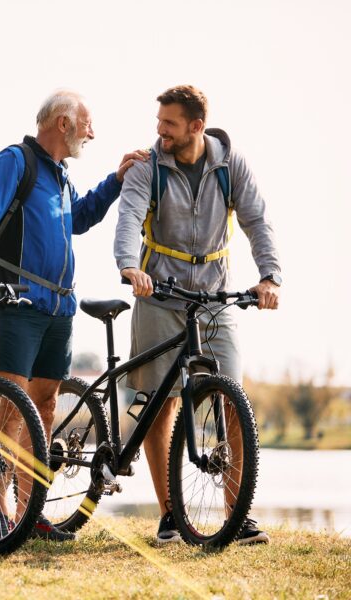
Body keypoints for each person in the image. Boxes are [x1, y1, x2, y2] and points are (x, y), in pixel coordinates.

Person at [0, 89, 147, 542]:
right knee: (13, 409)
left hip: (59, 308)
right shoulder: (15, 163)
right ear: (63, 123)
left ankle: (28, 511)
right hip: (18, 304)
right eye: (87, 124)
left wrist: (115, 181)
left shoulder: (59, 176)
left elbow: (77, 218)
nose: (91, 133)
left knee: (45, 408)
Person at [115, 85, 281, 545]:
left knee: (233, 402)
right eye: (158, 123)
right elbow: (128, 217)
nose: (159, 132)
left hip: (213, 299)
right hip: (158, 295)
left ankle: (236, 513)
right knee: (158, 402)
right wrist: (129, 266)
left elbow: (257, 220)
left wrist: (270, 276)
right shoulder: (147, 167)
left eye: (168, 124)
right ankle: (170, 515)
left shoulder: (231, 165)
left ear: (196, 126)